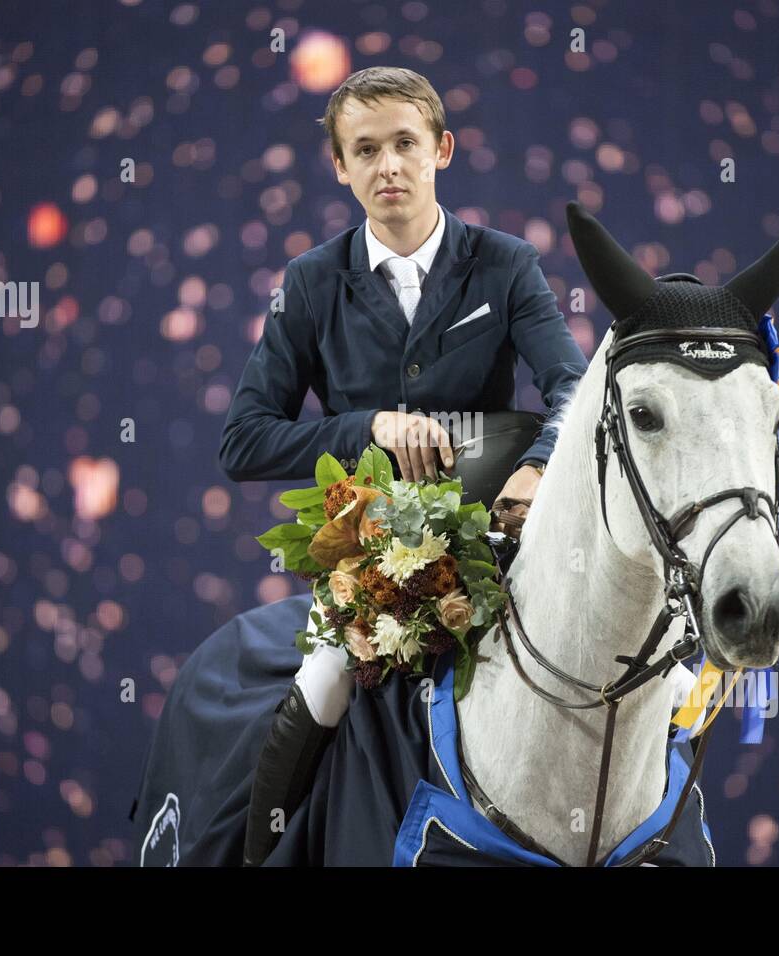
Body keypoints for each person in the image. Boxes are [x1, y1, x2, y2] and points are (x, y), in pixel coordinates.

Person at [218, 67, 588, 864]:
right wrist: (367, 428)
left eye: (404, 144)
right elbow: (243, 440)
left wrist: (539, 464)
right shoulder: (311, 283)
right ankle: (262, 855)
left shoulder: (506, 263)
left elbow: (575, 386)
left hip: (493, 539)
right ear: (340, 168)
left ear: (441, 150)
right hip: (369, 547)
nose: (387, 165)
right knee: (325, 677)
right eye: (365, 149)